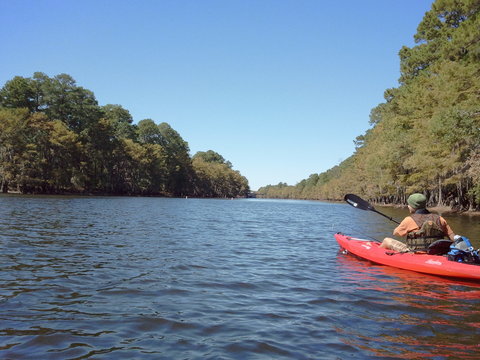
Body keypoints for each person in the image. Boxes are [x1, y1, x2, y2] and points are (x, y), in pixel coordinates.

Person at [379, 193, 456, 252]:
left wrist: (406, 228)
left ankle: (377, 254)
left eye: (409, 204)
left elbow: (396, 233)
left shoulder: (409, 220)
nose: (408, 206)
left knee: (386, 240)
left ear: (413, 206)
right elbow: (452, 236)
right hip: (436, 252)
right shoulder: (440, 219)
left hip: (414, 252)